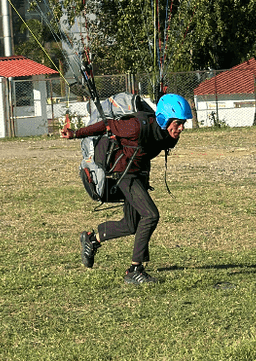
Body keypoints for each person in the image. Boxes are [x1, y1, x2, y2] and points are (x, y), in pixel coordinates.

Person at [63, 93, 192, 284]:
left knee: (131, 224)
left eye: (183, 123)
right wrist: (75, 134)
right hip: (123, 174)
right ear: (165, 118)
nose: (181, 128)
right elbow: (106, 124)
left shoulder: (168, 135)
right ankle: (135, 269)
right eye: (177, 123)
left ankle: (92, 240)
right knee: (150, 215)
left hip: (138, 174)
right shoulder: (136, 126)